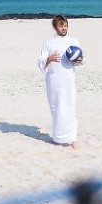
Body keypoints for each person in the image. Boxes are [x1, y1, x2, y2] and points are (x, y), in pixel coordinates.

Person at [37, 15, 84, 149]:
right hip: (53, 80)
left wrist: (80, 60)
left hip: (68, 79)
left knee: (70, 106)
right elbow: (40, 61)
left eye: (65, 25)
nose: (64, 28)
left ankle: (73, 138)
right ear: (55, 27)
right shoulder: (48, 43)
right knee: (56, 107)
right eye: (61, 25)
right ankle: (58, 137)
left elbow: (81, 59)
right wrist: (49, 59)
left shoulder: (73, 41)